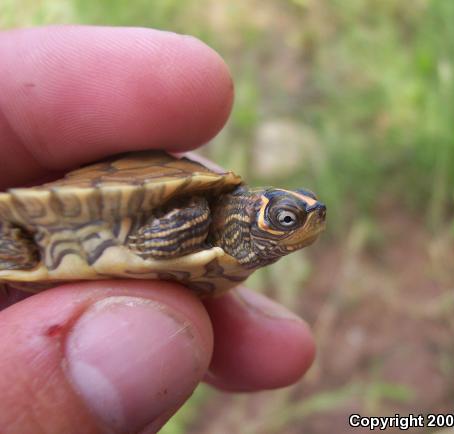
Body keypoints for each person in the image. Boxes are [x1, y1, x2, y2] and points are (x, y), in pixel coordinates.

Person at [0, 26, 315, 433]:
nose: (307, 222)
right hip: (44, 230)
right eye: (286, 219)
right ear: (250, 215)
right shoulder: (197, 214)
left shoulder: (227, 253)